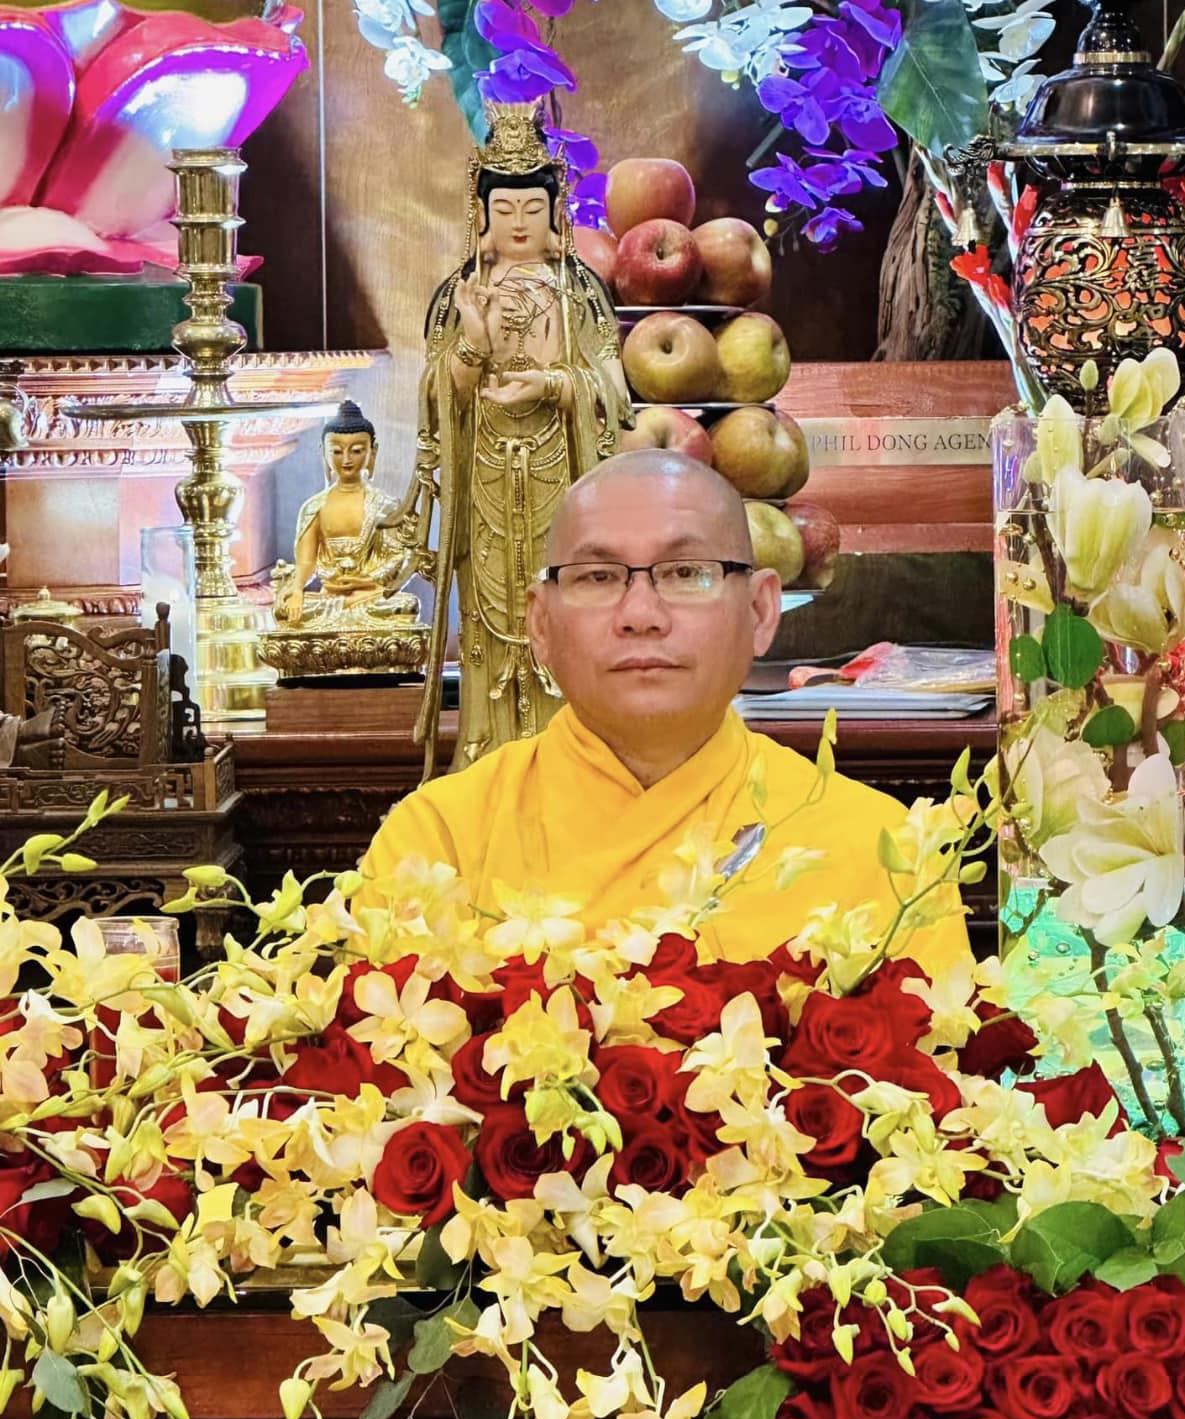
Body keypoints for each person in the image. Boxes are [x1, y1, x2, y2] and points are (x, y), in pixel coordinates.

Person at [360, 449, 970, 969]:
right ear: (540, 624)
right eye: (598, 577)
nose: (641, 614)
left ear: (761, 611)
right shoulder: (440, 842)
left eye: (685, 572)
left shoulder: (880, 850)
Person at [395, 100, 630, 778]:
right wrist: (470, 345)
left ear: (555, 212)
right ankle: (489, 768)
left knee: (565, 614)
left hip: (563, 472)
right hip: (488, 480)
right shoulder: (459, 293)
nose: (520, 224)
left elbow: (613, 389)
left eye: (533, 209)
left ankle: (576, 764)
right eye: (506, 211)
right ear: (482, 216)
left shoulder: (578, 291)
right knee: (493, 629)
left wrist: (555, 386)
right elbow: (439, 398)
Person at [270, 400, 417, 633]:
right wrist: (297, 589)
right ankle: (342, 614)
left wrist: (367, 582)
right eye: (337, 452)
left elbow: (398, 557)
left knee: (406, 606)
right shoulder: (314, 507)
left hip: (371, 596)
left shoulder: (385, 506)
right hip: (328, 597)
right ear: (324, 453)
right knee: (283, 610)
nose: (346, 459)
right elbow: (306, 563)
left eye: (357, 451)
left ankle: (346, 615)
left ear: (372, 452)